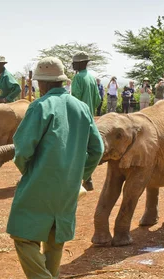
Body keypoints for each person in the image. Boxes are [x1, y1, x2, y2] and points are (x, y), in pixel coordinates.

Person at [7, 57, 104, 279]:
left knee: (21, 233)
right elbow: (98, 149)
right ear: (62, 80)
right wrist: (80, 175)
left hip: (40, 182)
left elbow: (23, 150)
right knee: (54, 238)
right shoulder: (82, 107)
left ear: (41, 84)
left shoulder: (40, 106)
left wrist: (28, 171)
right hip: (69, 186)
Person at [71, 51, 101, 192]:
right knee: (88, 147)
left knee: (77, 148)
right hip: (90, 116)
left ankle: (80, 179)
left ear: (80, 63)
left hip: (78, 117)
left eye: (75, 62)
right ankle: (88, 179)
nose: (72, 64)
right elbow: (98, 99)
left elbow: (75, 98)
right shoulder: (91, 78)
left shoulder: (77, 78)